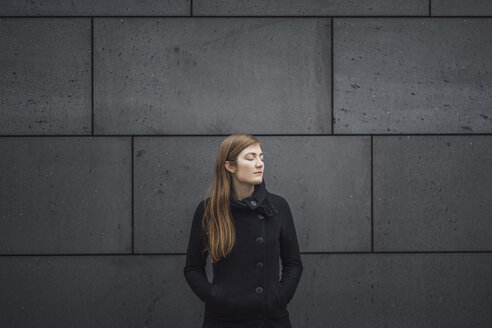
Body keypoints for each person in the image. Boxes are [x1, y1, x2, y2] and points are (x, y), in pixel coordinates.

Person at [183, 134, 303, 328]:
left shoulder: (278, 206)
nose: (259, 164)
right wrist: (216, 297)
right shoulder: (209, 210)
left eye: (261, 157)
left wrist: (279, 297)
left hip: (271, 319)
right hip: (224, 320)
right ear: (230, 166)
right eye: (250, 157)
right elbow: (193, 268)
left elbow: (293, 263)